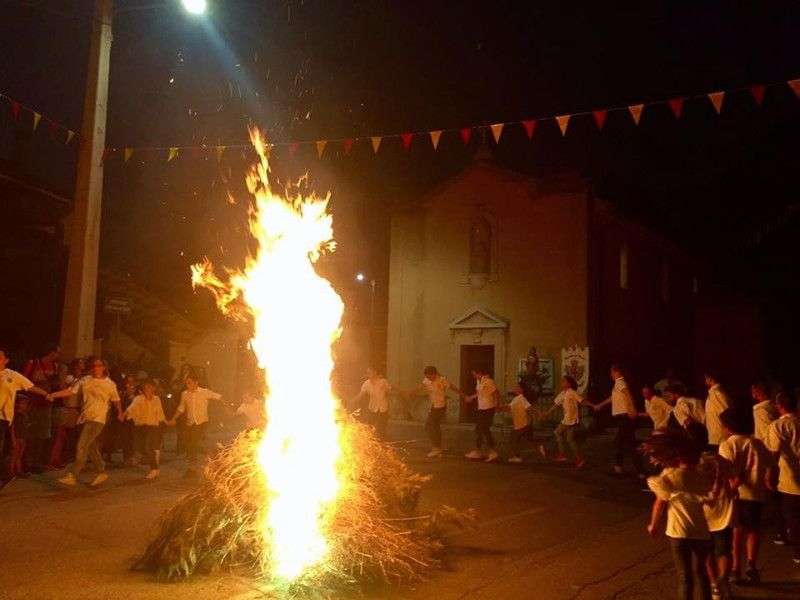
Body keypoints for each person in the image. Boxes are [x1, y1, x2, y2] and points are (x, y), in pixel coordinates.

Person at [643, 430, 713, 600]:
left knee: (684, 576)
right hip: (701, 530)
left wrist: (654, 525)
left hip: (678, 531)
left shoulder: (669, 477)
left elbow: (660, 502)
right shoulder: (701, 472)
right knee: (702, 572)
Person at [717, 408, 771, 585]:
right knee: (753, 530)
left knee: (736, 531)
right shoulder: (757, 443)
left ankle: (735, 568)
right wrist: (770, 479)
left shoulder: (727, 445)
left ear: (728, 426)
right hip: (755, 493)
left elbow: (726, 470)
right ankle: (751, 565)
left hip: (736, 494)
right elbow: (771, 464)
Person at [50, 358, 122, 487]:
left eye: (99, 365)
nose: (96, 368)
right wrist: (54, 394)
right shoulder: (85, 380)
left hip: (98, 419)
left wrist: (120, 412)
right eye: (93, 366)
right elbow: (71, 391)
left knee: (82, 445)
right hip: (85, 417)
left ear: (104, 367)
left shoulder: (109, 383)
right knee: (90, 445)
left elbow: (116, 399)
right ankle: (101, 471)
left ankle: (73, 475)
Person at [0, 348, 48, 488]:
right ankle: (5, 474)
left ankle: (5, 474)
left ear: (6, 360)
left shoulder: (12, 375)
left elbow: (30, 386)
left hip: (2, 417)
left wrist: (46, 394)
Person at [764, 390, 800, 565]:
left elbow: (774, 454)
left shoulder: (777, 426)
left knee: (793, 516)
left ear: (780, 406)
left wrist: (770, 473)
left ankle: (798, 552)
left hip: (790, 478)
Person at [587, 365, 643, 477]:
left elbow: (628, 395)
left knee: (621, 443)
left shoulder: (620, 382)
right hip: (624, 417)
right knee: (626, 443)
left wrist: (632, 409)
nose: (610, 375)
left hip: (626, 417)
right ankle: (634, 470)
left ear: (616, 372)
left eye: (611, 372)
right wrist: (600, 405)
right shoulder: (618, 384)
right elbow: (613, 398)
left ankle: (627, 469)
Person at [699, 449, 735, 599]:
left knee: (708, 553)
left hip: (703, 513)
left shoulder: (692, 462)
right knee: (724, 551)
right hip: (724, 511)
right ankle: (722, 580)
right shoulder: (722, 460)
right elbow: (736, 476)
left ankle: (715, 584)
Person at [403, 366, 462, 457]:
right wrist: (411, 392)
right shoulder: (427, 380)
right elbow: (420, 387)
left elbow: (452, 387)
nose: (428, 378)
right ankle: (438, 447)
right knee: (434, 426)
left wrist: (464, 395)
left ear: (434, 374)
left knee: (429, 425)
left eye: (430, 376)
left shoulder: (442, 380)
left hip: (441, 406)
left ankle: (436, 448)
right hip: (434, 406)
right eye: (427, 377)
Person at [167, 374, 222, 468]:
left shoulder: (204, 392)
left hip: (202, 422)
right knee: (190, 441)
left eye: (190, 383)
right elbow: (181, 408)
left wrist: (227, 406)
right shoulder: (184, 394)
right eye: (187, 383)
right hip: (190, 422)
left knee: (194, 441)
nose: (188, 385)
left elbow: (218, 397)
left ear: (196, 382)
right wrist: (173, 418)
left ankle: (193, 463)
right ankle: (198, 458)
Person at [21, 345, 61, 473]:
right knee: (29, 434)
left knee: (42, 435)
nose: (59, 355)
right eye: (57, 352)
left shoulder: (55, 367)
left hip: (46, 405)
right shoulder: (33, 363)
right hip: (32, 403)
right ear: (51, 352)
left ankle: (36, 463)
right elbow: (23, 381)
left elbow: (56, 385)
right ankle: (25, 462)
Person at [123, 379, 166, 479]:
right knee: (142, 448)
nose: (147, 389)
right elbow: (131, 408)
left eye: (150, 387)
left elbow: (160, 412)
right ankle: (155, 459)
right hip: (141, 426)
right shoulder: (139, 398)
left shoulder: (156, 399)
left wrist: (166, 422)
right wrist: (123, 414)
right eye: (145, 388)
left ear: (153, 388)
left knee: (148, 447)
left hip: (153, 426)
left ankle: (154, 469)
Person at [540, 376, 585, 468]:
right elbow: (555, 405)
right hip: (569, 419)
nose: (562, 382)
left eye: (564, 381)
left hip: (569, 419)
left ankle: (562, 454)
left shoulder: (572, 392)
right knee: (569, 439)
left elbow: (582, 400)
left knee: (557, 432)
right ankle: (579, 459)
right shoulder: (562, 394)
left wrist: (594, 405)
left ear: (569, 384)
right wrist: (546, 413)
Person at [48, 358, 84, 469]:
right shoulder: (69, 378)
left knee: (66, 436)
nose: (82, 365)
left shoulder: (80, 379)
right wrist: (67, 406)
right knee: (60, 435)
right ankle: (53, 460)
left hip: (74, 409)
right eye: (80, 363)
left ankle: (60, 458)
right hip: (68, 409)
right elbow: (66, 392)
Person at [463, 368, 500, 462]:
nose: (473, 375)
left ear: (479, 373)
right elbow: (479, 393)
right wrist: (471, 397)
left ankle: (492, 451)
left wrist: (497, 406)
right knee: (479, 429)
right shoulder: (478, 381)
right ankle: (479, 451)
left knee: (484, 429)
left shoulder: (489, 381)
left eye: (474, 373)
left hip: (488, 408)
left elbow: (496, 393)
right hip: (481, 408)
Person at [497, 383, 534, 464]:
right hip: (519, 424)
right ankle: (538, 449)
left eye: (517, 387)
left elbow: (529, 408)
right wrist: (500, 407)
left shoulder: (522, 398)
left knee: (513, 440)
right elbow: (509, 407)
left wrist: (532, 418)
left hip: (523, 423)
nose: (515, 388)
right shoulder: (516, 399)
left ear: (521, 390)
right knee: (522, 441)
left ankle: (517, 457)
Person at [352, 367, 392, 441]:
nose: (368, 374)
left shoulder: (383, 381)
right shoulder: (366, 383)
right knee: (370, 427)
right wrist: (353, 401)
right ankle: (372, 444)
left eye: (369, 372)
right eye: (367, 373)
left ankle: (383, 444)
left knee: (381, 428)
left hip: (383, 409)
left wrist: (386, 392)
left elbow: (389, 391)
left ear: (375, 372)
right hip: (372, 408)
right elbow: (361, 394)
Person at [668, 384, 708, 448]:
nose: (668, 399)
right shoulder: (696, 400)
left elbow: (689, 424)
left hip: (698, 436)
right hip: (708, 431)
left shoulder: (678, 407)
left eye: (670, 396)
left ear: (676, 394)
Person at [704, 371, 730, 449]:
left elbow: (726, 412)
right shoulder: (713, 393)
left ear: (710, 379)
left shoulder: (717, 393)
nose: (705, 381)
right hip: (715, 436)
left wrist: (728, 430)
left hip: (721, 436)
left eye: (706, 378)